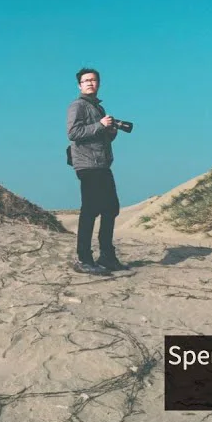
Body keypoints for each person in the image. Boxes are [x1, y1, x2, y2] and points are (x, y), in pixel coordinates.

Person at [66, 67, 129, 274]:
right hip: (86, 165)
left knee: (111, 208)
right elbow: (73, 133)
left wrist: (110, 131)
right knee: (90, 210)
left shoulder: (98, 108)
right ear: (79, 85)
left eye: (93, 80)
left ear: (99, 83)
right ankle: (83, 259)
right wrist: (100, 125)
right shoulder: (77, 105)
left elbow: (101, 137)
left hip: (102, 164)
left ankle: (107, 256)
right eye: (86, 81)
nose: (90, 83)